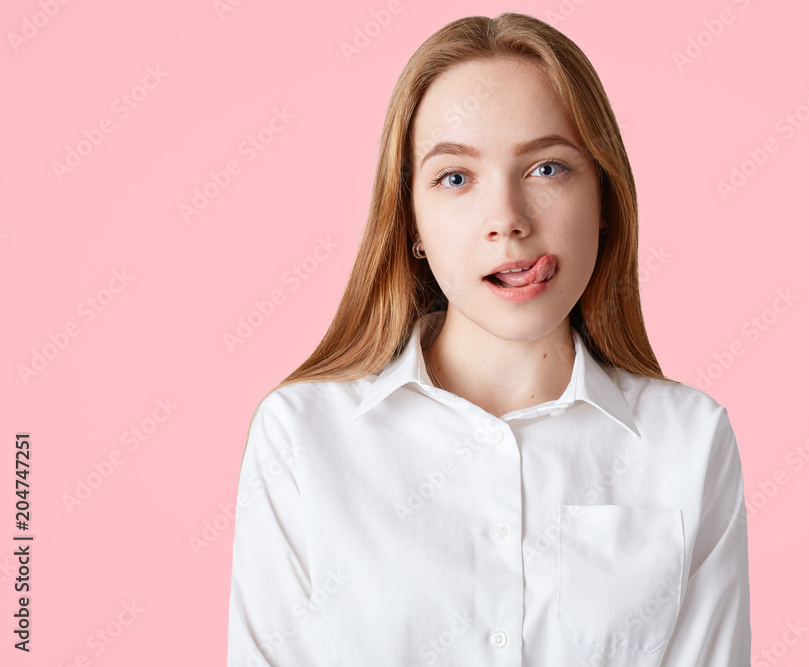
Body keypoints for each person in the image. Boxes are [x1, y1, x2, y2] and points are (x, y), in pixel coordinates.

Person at [227, 11, 750, 666]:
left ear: (606, 199)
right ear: (411, 221)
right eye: (455, 177)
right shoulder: (302, 437)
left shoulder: (690, 441)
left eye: (548, 169)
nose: (506, 219)